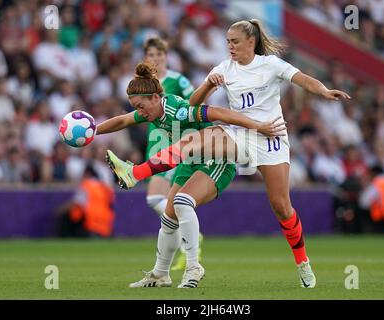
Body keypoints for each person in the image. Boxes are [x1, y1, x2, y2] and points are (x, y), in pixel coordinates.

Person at [106, 19, 351, 288]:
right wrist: (209, 84)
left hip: (270, 136)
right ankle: (135, 173)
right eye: (227, 41)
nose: (230, 46)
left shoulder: (270, 65)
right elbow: (192, 104)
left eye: (234, 41)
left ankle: (303, 263)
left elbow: (302, 79)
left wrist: (324, 91)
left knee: (281, 207)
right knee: (194, 142)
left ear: (251, 42)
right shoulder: (224, 68)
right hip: (239, 133)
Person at [98, 62, 285, 288]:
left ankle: (194, 266)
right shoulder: (150, 112)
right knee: (168, 218)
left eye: (140, 106)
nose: (139, 112)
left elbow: (219, 112)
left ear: (156, 98)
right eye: (136, 107)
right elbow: (122, 120)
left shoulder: (178, 111)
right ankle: (160, 274)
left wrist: (258, 126)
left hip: (215, 161)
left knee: (182, 202)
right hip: (189, 163)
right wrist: (93, 131)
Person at [143, 37, 199, 271]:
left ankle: (190, 239)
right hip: (155, 142)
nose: (156, 58)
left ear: (166, 56)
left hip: (174, 142)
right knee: (162, 203)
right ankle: (187, 236)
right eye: (151, 55)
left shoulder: (177, 79)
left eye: (159, 54)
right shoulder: (144, 83)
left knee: (156, 199)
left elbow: (193, 103)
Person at [56, 164, 116, 238]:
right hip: (106, 226)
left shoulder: (86, 185)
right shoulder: (104, 187)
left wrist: (60, 210)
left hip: (90, 225)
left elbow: (77, 203)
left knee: (67, 216)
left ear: (87, 173)